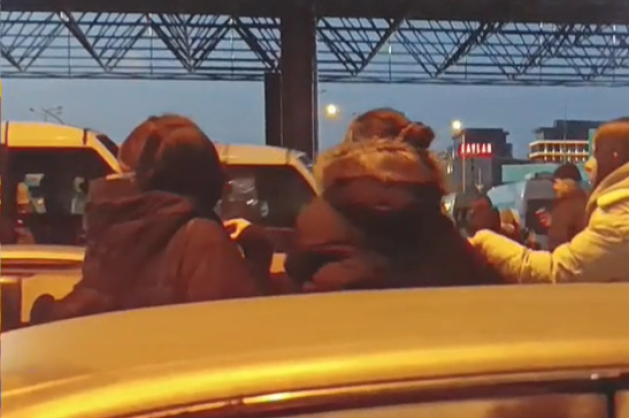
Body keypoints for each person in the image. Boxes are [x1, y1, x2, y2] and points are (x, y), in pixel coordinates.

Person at [31, 115, 263, 323]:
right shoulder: (203, 239)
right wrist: (257, 254)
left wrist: (42, 311)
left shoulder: (115, 230)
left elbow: (89, 304)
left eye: (124, 172)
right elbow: (237, 331)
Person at [285, 108, 504, 292]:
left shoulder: (319, 217)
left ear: (347, 151)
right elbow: (481, 279)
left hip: (335, 325)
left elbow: (295, 269)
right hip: (430, 327)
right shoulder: (437, 226)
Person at [468, 117, 629, 283]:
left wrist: (486, 241)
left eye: (595, 154)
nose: (588, 165)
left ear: (614, 157)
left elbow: (554, 271)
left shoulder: (621, 223)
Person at [539, 163, 588, 250]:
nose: (554, 187)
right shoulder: (567, 205)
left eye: (556, 183)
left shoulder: (575, 207)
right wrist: (553, 221)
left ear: (567, 184)